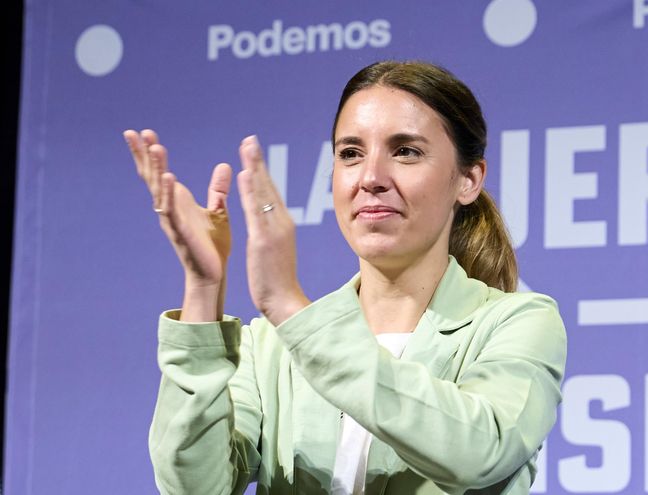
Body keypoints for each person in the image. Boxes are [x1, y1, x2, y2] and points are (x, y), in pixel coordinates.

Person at [124, 61, 566, 495]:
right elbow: (194, 487)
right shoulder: (270, 347)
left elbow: (479, 451)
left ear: (468, 180)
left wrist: (289, 307)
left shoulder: (518, 323)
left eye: (406, 151)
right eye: (350, 153)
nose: (371, 178)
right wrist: (203, 287)